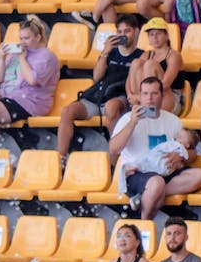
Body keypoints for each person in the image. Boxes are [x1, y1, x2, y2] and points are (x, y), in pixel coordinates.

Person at [111, 76, 201, 216]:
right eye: (145, 94)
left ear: (162, 96)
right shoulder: (127, 119)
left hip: (166, 170)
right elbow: (114, 149)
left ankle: (149, 195)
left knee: (200, 175)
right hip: (138, 173)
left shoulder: (172, 120)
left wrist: (181, 156)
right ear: (140, 96)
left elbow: (192, 152)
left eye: (154, 93)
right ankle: (145, 223)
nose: (149, 98)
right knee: (156, 183)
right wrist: (132, 123)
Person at [59, 14, 140, 157]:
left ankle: (115, 159)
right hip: (99, 95)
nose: (123, 35)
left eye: (127, 31)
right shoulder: (110, 53)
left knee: (111, 108)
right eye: (119, 32)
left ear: (136, 32)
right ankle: (61, 157)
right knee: (67, 111)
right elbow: (97, 77)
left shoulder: (141, 55)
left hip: (121, 96)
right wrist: (105, 52)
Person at [0, 16, 58, 128]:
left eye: (26, 38)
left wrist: (22, 59)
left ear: (38, 37)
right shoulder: (16, 53)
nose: (23, 42)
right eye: (21, 38)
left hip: (31, 100)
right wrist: (1, 58)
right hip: (10, 94)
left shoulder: (46, 56)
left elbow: (32, 80)